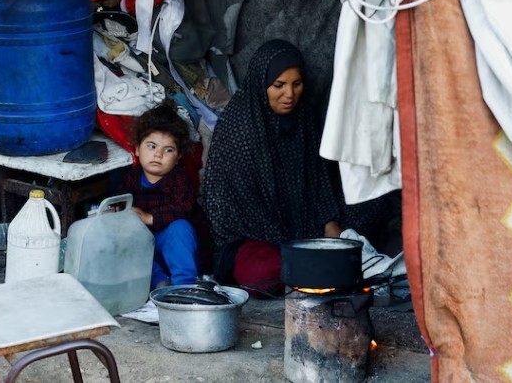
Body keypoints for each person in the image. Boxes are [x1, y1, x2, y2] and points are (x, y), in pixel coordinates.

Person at [201, 39, 344, 295]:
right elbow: (235, 208)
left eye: (296, 84)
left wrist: (328, 223)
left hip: (301, 227)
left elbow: (319, 179)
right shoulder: (239, 128)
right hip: (252, 236)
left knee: (350, 240)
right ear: (261, 83)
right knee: (266, 272)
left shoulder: (303, 118)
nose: (289, 94)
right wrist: (291, 246)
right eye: (279, 85)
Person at [114, 101, 201, 289]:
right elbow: (119, 202)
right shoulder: (131, 178)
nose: (158, 154)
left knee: (181, 227)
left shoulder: (179, 179)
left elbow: (184, 208)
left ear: (178, 157)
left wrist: (150, 218)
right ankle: (159, 282)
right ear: (137, 149)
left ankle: (183, 286)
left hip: (171, 245)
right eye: (151, 146)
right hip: (145, 248)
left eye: (168, 150)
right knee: (123, 239)